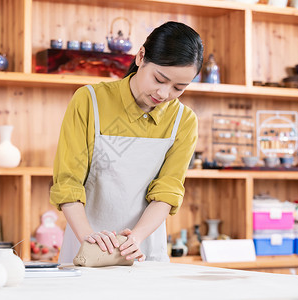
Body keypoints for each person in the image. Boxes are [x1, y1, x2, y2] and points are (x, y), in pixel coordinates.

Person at [50, 21, 203, 263]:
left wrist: (136, 238)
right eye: (159, 79)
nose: (164, 94)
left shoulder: (183, 121)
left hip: (143, 248)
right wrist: (90, 240)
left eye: (178, 88)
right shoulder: (89, 101)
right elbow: (68, 183)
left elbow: (167, 191)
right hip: (85, 240)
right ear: (141, 56)